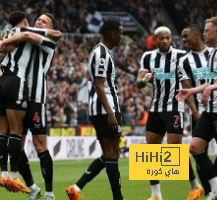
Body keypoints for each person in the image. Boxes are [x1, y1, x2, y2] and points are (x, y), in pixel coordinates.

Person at [0, 11, 61, 195]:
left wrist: (2, 43)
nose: (39, 21)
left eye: (44, 21)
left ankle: (49, 193)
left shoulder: (48, 42)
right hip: (18, 93)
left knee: (40, 144)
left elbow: (28, 34)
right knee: (18, 144)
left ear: (50, 28)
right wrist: (0, 44)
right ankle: (32, 188)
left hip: (36, 99)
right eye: (38, 19)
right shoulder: (22, 38)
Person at [135, 26, 201, 200]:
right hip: (156, 108)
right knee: (151, 152)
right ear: (155, 40)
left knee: (175, 151)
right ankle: (156, 195)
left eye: (167, 38)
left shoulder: (181, 56)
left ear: (171, 39)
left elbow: (187, 85)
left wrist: (194, 110)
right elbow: (138, 83)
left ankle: (195, 187)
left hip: (174, 107)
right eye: (161, 38)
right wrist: (144, 80)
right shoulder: (148, 57)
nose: (165, 41)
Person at [66, 19, 124, 200]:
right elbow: (99, 86)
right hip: (105, 110)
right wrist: (111, 113)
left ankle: (77, 187)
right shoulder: (101, 54)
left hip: (101, 109)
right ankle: (118, 198)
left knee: (108, 154)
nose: (122, 36)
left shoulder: (102, 52)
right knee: (113, 154)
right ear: (113, 33)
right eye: (121, 32)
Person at [176, 16, 217, 200]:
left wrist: (212, 89)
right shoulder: (213, 53)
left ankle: (215, 191)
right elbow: (211, 81)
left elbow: (215, 84)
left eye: (206, 30)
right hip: (210, 111)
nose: (204, 33)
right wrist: (191, 90)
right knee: (195, 147)